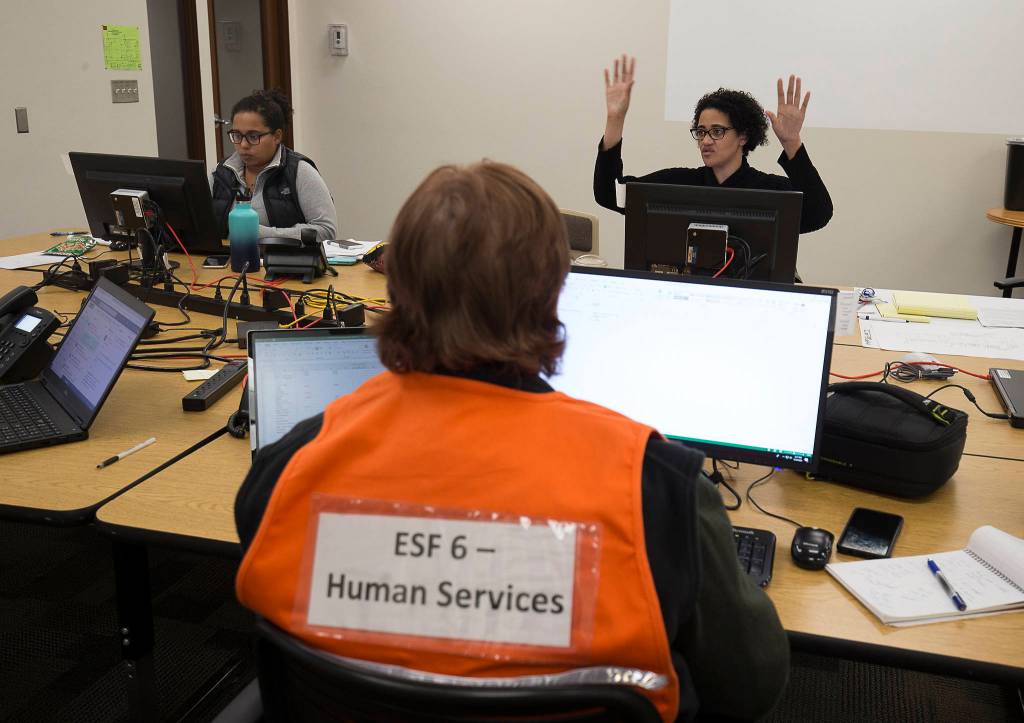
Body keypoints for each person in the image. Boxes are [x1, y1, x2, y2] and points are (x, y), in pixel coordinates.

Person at [233, 161, 789, 722]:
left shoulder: (292, 465)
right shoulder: (657, 485)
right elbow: (749, 687)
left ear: (396, 286)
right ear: (551, 294)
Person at [594, 55, 833, 235]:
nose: (706, 141)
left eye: (717, 131)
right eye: (701, 132)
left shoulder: (770, 190)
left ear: (743, 136)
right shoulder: (676, 184)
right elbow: (609, 194)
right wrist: (615, 120)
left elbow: (818, 213)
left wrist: (791, 142)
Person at [211, 88, 338, 242]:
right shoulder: (221, 172)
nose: (243, 144)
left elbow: (326, 230)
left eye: (253, 136)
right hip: (230, 262)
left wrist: (265, 234)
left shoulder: (299, 171)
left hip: (285, 263)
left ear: (277, 136)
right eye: (237, 135)